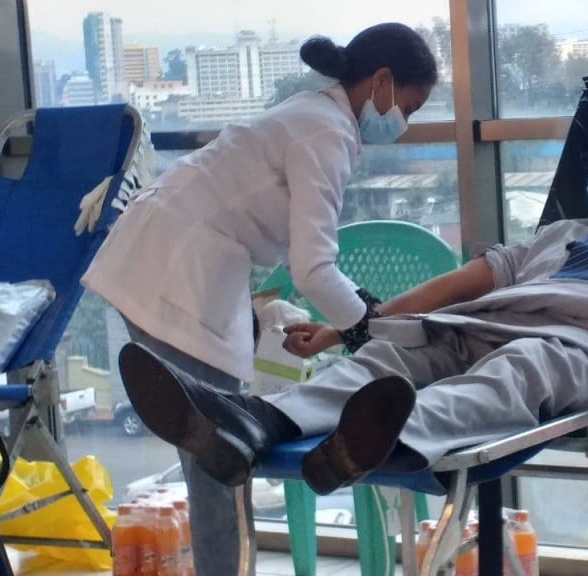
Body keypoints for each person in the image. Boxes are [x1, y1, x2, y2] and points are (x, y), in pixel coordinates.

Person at [117, 78, 588, 502]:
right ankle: (258, 421)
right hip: (492, 326)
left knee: (525, 364)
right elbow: (458, 285)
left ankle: (387, 439)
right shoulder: (560, 235)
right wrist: (346, 330)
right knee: (396, 354)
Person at [81, 23, 438, 576]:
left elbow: (266, 231)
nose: (403, 124)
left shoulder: (312, 114)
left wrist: (344, 327)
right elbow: (314, 269)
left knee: (217, 451)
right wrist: (370, 332)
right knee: (219, 463)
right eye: (408, 108)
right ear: (382, 80)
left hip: (159, 258)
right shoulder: (326, 134)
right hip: (180, 271)